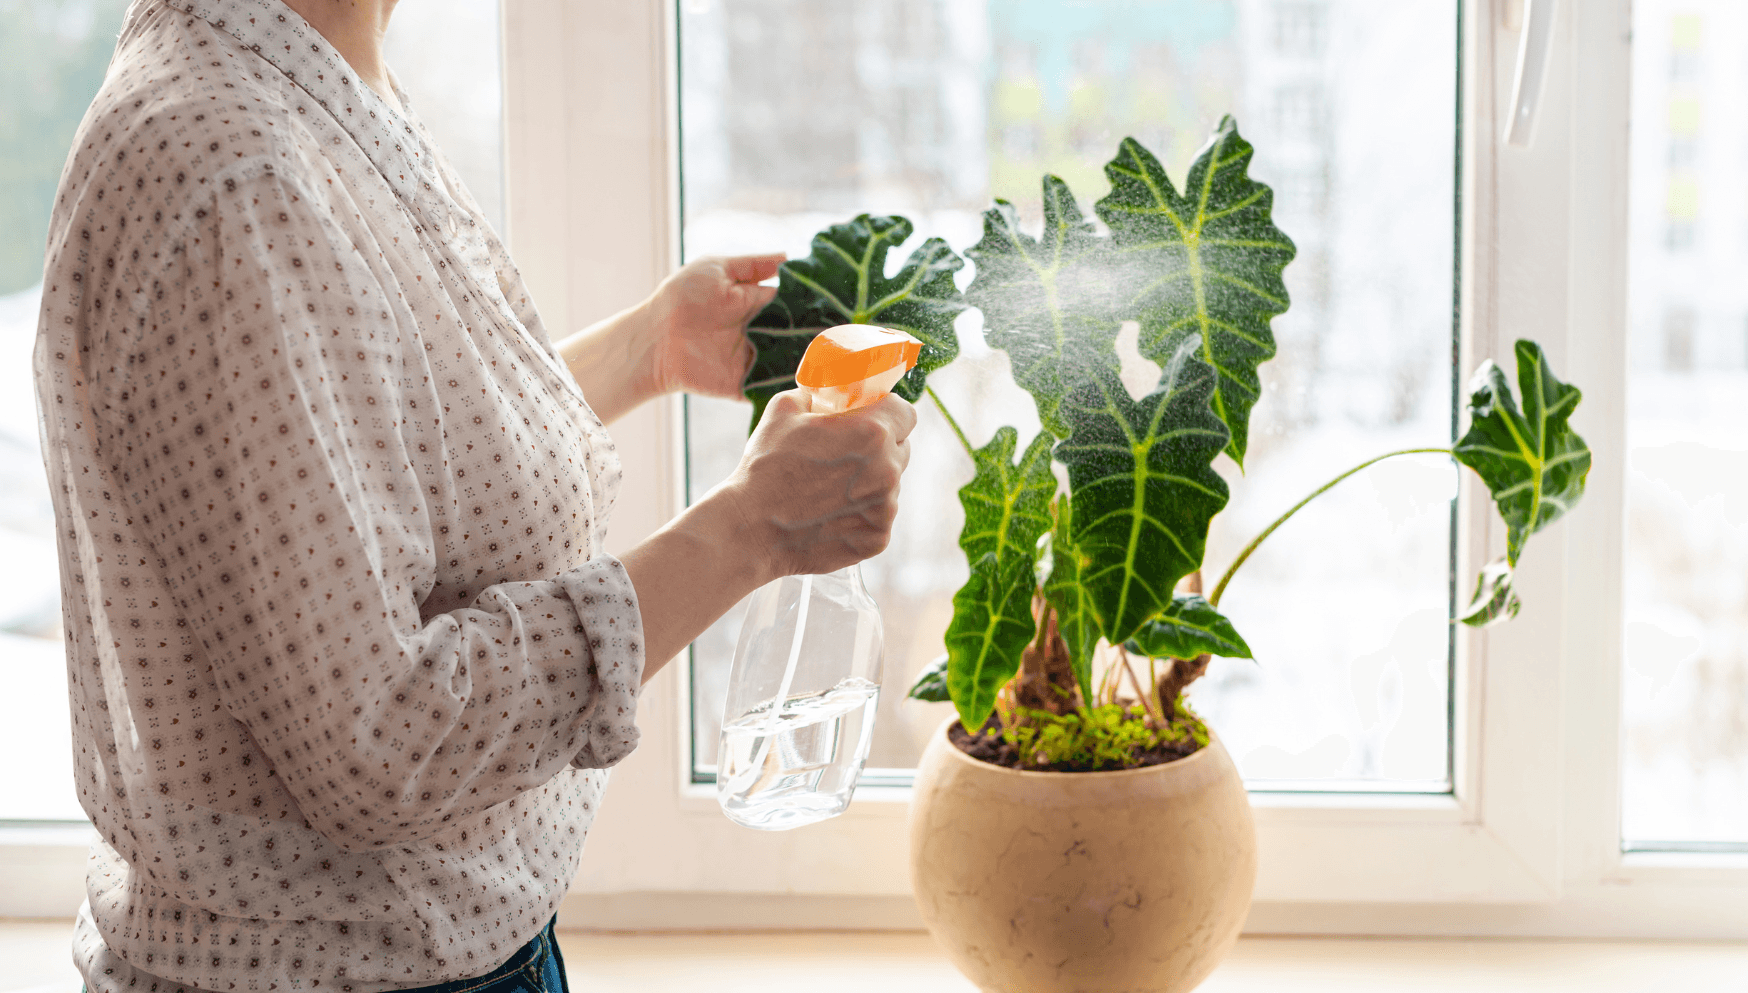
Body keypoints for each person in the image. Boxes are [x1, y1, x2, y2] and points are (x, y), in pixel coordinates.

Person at [32, 0, 916, 990]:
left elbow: (357, 482)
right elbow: (380, 741)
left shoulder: (309, 76)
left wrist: (645, 351)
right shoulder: (234, 174)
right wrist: (749, 530)